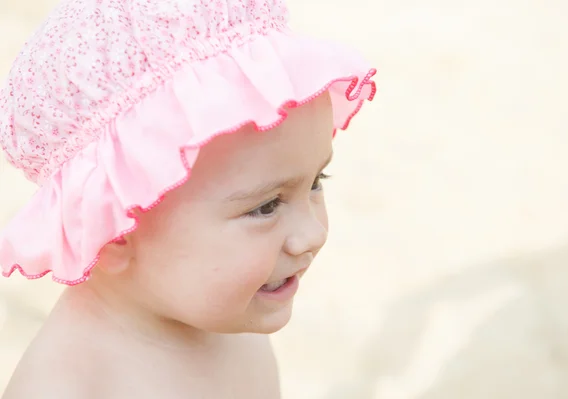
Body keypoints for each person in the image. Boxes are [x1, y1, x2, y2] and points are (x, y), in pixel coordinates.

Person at [0, 0, 376, 397]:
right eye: (266, 206)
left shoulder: (226, 312)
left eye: (317, 181)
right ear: (114, 230)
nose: (313, 234)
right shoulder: (69, 387)